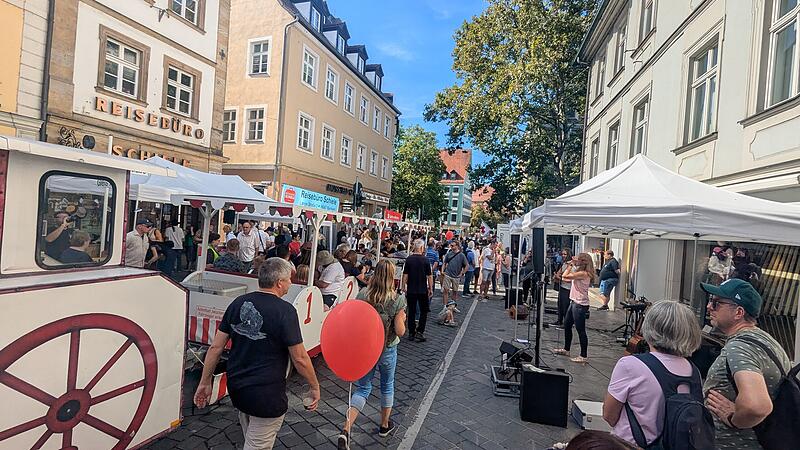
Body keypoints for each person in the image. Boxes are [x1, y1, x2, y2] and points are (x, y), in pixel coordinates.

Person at [194, 258, 320, 450]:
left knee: (251, 435)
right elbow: (300, 358)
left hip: (238, 388)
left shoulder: (238, 303)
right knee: (257, 444)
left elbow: (215, 348)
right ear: (279, 282)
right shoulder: (285, 311)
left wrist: (205, 382)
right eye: (289, 279)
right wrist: (314, 386)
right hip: (267, 394)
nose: (291, 283)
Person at [701, 279, 790, 448]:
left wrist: (732, 419)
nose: (709, 306)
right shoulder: (768, 341)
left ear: (739, 312)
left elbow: (757, 406)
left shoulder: (740, 347)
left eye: (716, 303)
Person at [603, 301, 703, 447]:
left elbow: (609, 415)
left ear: (650, 327)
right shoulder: (694, 372)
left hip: (630, 445)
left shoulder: (630, 365)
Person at [338, 260, 407, 450]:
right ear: (392, 277)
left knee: (362, 388)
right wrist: (402, 318)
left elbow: (354, 321)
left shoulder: (363, 294)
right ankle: (384, 425)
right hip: (387, 349)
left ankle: (346, 429)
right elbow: (400, 331)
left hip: (366, 349)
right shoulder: (397, 299)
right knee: (387, 386)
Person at [552, 253, 597, 363]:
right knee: (567, 325)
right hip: (574, 302)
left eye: (578, 259)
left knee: (580, 330)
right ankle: (566, 349)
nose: (575, 260)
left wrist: (571, 265)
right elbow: (565, 279)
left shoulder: (583, 273)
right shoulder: (579, 272)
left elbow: (565, 276)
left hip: (580, 304)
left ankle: (583, 355)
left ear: (583, 262)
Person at [402, 239, 433, 342]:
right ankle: (420, 331)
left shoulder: (409, 259)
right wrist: (431, 288)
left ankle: (411, 332)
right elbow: (429, 276)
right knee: (424, 311)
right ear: (421, 248)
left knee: (411, 311)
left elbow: (405, 274)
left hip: (411, 289)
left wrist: (403, 286)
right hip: (422, 289)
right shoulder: (425, 260)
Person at [441, 241, 468, 307]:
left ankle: (453, 306)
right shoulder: (449, 254)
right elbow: (444, 263)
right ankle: (445, 306)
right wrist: (442, 271)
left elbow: (467, 265)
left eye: (452, 246)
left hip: (456, 276)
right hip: (448, 274)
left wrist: (462, 273)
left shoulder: (462, 255)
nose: (451, 247)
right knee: (446, 290)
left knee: (455, 291)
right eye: (451, 245)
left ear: (457, 246)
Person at [551, 249, 574, 326]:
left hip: (567, 288)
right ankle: (559, 320)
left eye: (565, 254)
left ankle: (566, 323)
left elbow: (570, 278)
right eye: (562, 254)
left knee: (565, 306)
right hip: (562, 286)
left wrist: (559, 277)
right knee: (560, 305)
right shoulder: (564, 264)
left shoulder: (571, 265)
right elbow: (559, 273)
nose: (563, 256)